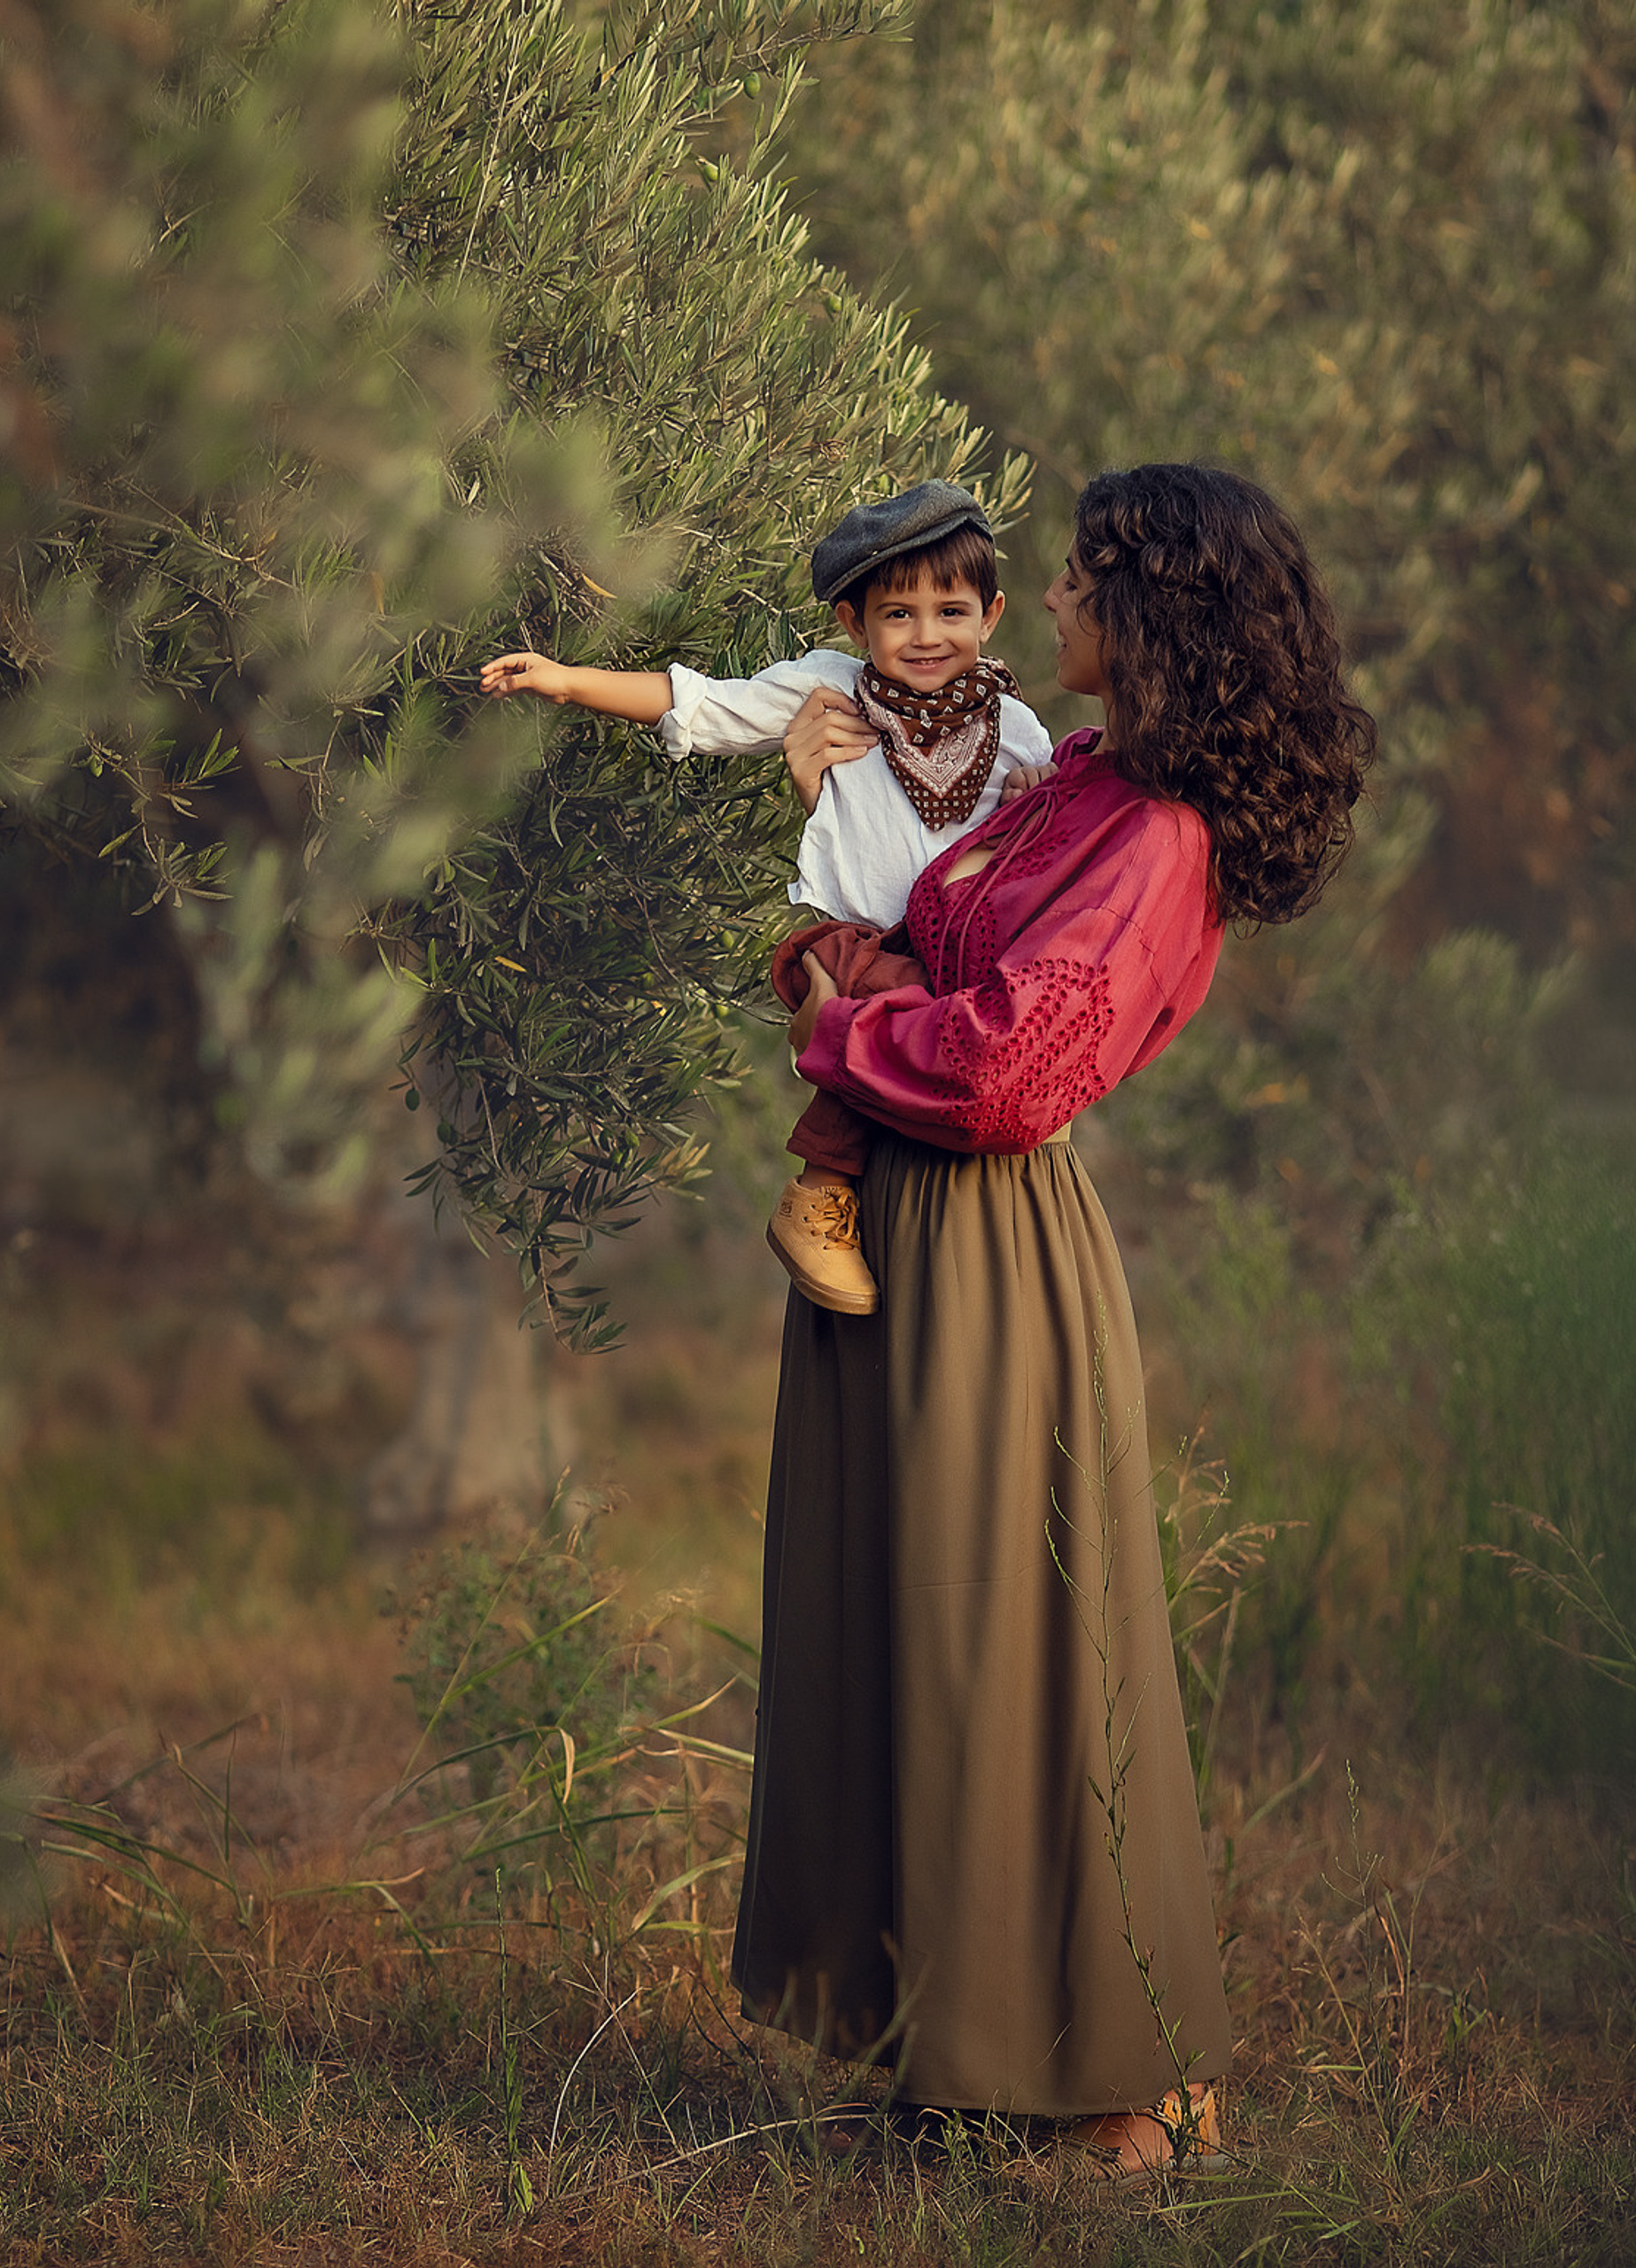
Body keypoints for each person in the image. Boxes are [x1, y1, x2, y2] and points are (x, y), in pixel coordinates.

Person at [738, 463, 1375, 2175]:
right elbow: (917, 931)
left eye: (1086, 579)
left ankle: (1128, 2079)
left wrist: (831, 1017)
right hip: (896, 1220)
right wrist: (846, 947)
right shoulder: (1080, 778)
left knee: (1013, 1648)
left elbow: (1013, 1067)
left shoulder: (1157, 837)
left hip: (986, 1246)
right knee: (910, 1637)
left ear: (1152, 611)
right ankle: (958, 2040)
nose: (1062, 602)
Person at [481, 481, 1056, 1318]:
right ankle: (819, 1194)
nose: (928, 637)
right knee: (894, 1010)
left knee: (965, 1034)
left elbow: (1049, 837)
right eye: (898, 615)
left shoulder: (1014, 728)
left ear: (992, 614)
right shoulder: (829, 691)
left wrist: (1033, 802)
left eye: (951, 611)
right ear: (854, 625)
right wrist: (569, 682)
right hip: (864, 940)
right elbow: (703, 705)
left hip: (962, 951)